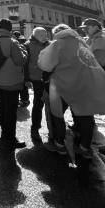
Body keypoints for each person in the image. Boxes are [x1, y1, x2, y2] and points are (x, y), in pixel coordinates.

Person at [38, 24, 105, 159]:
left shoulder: (58, 44)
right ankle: (84, 148)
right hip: (84, 85)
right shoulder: (82, 43)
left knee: (57, 115)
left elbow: (45, 64)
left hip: (63, 85)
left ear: (57, 32)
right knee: (86, 116)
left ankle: (59, 145)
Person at [0, 19, 27, 150]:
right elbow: (20, 61)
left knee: (2, 109)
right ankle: (10, 139)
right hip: (10, 83)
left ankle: (4, 134)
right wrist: (24, 51)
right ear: (10, 29)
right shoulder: (12, 42)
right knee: (10, 112)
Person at [24, 27, 49, 143]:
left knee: (50, 104)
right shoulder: (27, 45)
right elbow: (24, 64)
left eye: (45, 34)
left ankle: (53, 130)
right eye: (42, 35)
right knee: (38, 103)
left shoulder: (49, 44)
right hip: (36, 78)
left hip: (48, 78)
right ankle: (35, 128)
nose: (45, 37)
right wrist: (27, 79)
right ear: (35, 35)